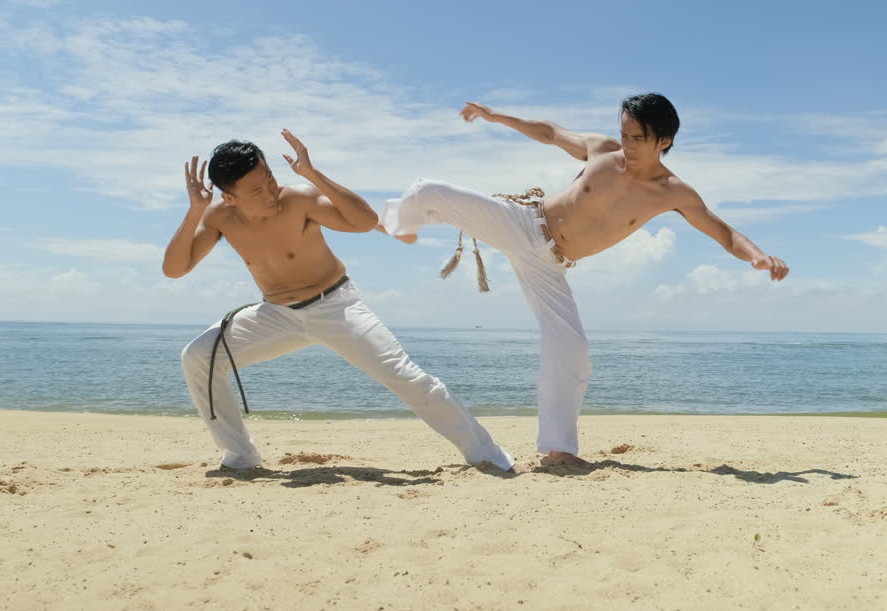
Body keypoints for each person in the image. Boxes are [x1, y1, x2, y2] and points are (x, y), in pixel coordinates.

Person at [379, 94, 789, 466]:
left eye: (637, 138)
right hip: (523, 222)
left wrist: (758, 257)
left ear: (663, 140)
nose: (626, 144)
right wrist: (494, 116)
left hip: (550, 265)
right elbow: (549, 133)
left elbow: (724, 232)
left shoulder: (673, 193)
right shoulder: (603, 152)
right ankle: (393, 224)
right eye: (623, 133)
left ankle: (558, 451)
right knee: (428, 190)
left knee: (572, 351)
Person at [163, 130, 514, 471]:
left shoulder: (299, 199)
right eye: (256, 190)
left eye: (269, 178)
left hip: (335, 306)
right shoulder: (218, 217)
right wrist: (195, 211)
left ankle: (487, 454)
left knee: (406, 377)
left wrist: (312, 174)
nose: (270, 191)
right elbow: (175, 269)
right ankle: (240, 456)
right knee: (198, 358)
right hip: (275, 315)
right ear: (229, 197)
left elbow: (364, 222)